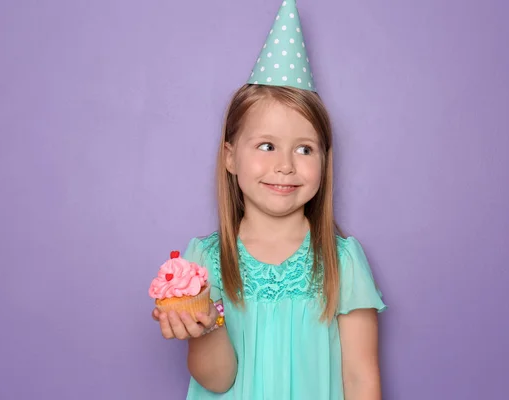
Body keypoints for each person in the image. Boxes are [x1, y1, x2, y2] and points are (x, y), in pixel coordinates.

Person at [152, 0, 387, 398]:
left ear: (324, 161)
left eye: (305, 149)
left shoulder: (342, 261)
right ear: (230, 156)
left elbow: (361, 379)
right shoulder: (203, 263)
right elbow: (217, 380)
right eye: (266, 145)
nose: (285, 166)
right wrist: (205, 324)